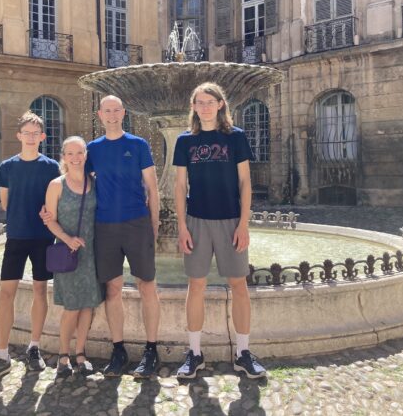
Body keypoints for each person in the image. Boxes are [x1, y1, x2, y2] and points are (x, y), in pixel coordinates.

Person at [173, 82, 266, 380]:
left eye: (210, 101)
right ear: (194, 107)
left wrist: (243, 223)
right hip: (197, 220)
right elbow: (179, 186)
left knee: (239, 285)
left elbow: (245, 183)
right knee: (195, 286)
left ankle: (243, 353)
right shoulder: (185, 141)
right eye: (199, 102)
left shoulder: (235, 138)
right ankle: (195, 353)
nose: (205, 106)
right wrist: (182, 226)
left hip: (230, 220)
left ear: (221, 104)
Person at [79, 95, 162, 378]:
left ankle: (152, 349)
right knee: (113, 290)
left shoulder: (138, 145)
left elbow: (152, 188)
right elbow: (79, 183)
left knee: (147, 286)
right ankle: (119, 349)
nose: (112, 115)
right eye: (107, 111)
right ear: (99, 115)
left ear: (123, 113)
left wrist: (154, 224)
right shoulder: (92, 149)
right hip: (105, 227)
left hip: (137, 223)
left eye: (116, 110)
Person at [0, 111, 60, 383]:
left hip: (42, 237)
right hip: (16, 236)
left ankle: (34, 347)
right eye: (26, 133)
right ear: (19, 136)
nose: (30, 137)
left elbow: (56, 199)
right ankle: (1, 354)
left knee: (40, 290)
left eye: (35, 133)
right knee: (6, 293)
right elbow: (5, 203)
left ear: (42, 137)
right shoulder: (7, 167)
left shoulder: (51, 167)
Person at [44, 136, 103, 377]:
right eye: (70, 153)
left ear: (86, 155)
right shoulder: (56, 185)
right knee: (71, 307)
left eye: (79, 153)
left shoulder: (94, 181)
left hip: (92, 252)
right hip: (68, 253)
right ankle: (63, 356)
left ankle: (81, 353)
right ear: (64, 157)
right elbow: (50, 220)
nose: (75, 158)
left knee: (88, 304)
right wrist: (68, 239)